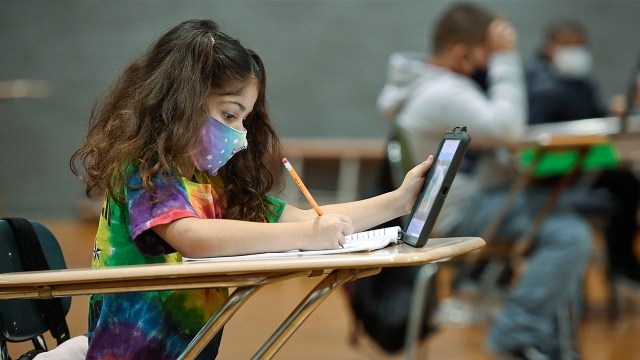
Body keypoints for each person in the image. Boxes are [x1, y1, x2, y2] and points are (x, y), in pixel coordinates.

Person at [69, 19, 434, 360]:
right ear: (182, 104)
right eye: (230, 115)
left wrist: (399, 200)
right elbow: (191, 235)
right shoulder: (146, 168)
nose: (240, 133)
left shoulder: (213, 182)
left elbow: (305, 218)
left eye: (244, 119)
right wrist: (308, 235)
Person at [376, 3, 592, 359]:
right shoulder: (444, 92)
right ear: (463, 53)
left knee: (561, 217)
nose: (487, 66)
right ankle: (515, 334)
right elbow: (508, 129)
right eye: (486, 56)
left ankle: (543, 338)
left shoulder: (425, 86)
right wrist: (507, 57)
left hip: (449, 205)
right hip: (455, 215)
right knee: (570, 234)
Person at [527, 21, 640, 284]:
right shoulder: (539, 84)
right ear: (549, 47)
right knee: (621, 182)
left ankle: (622, 263)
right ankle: (622, 264)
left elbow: (595, 118)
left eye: (579, 46)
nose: (575, 52)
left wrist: (615, 114)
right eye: (568, 45)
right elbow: (534, 137)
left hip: (584, 165)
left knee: (625, 183)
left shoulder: (581, 84)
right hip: (552, 171)